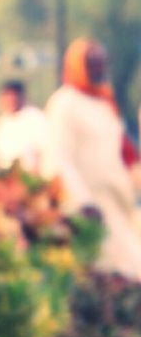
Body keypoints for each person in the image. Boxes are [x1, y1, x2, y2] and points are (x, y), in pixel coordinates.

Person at [43, 37, 141, 279]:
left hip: (117, 203)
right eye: (92, 63)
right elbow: (59, 158)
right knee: (111, 271)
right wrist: (83, 202)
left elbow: (125, 153)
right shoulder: (63, 103)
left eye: (102, 63)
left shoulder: (104, 103)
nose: (99, 69)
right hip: (88, 209)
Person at [0, 80, 47, 172]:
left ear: (22, 97)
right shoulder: (3, 122)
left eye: (13, 97)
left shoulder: (35, 118)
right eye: (5, 97)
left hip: (31, 175)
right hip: (7, 176)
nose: (9, 101)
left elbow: (43, 151)